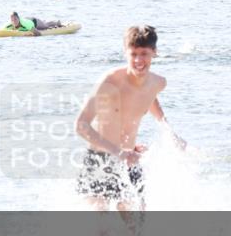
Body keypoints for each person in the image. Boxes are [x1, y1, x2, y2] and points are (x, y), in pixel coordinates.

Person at [75, 25, 185, 219]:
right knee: (100, 233)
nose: (138, 60)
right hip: (99, 160)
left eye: (144, 54)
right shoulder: (110, 82)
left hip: (129, 161)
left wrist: (169, 132)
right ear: (125, 52)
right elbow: (81, 125)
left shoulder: (158, 83)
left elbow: (149, 98)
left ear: (154, 52)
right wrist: (117, 151)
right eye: (133, 53)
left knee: (136, 228)